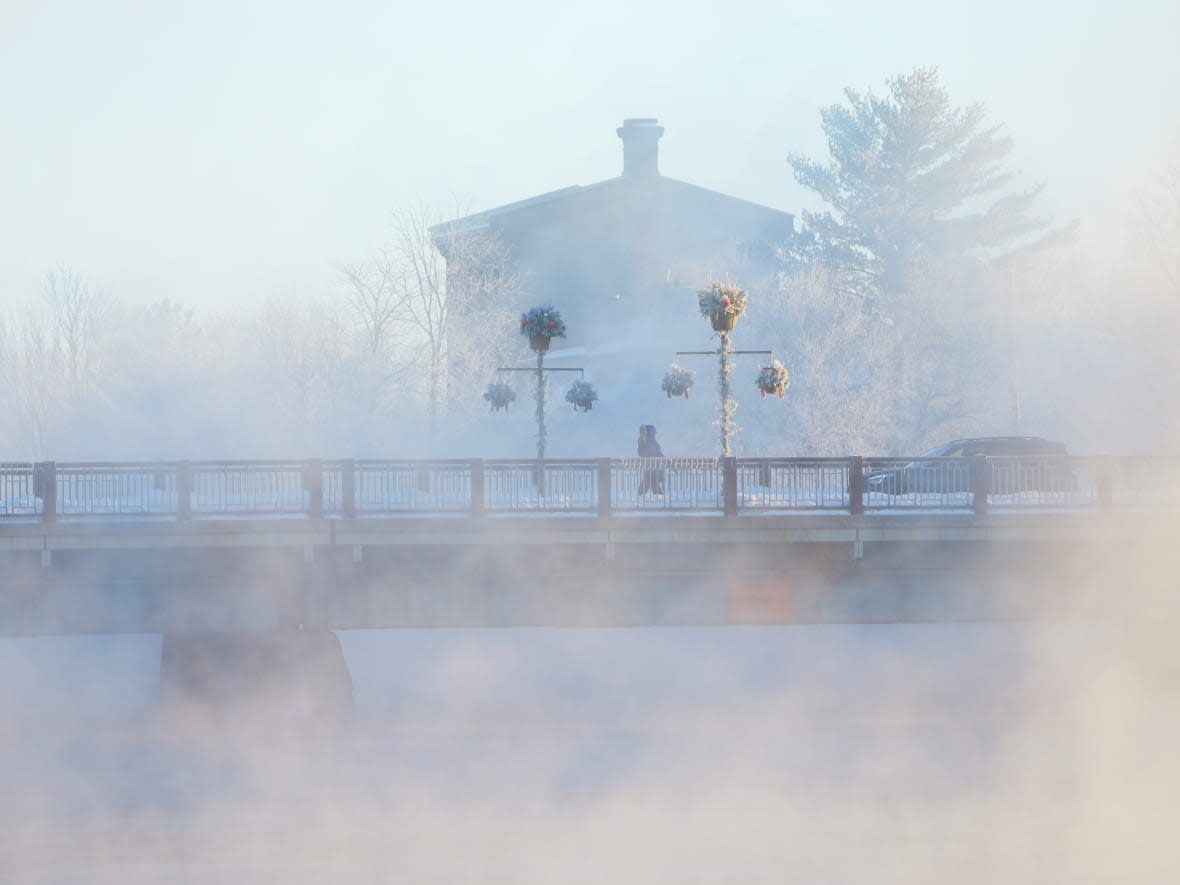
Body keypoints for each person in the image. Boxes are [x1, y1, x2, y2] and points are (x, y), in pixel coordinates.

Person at [637, 424, 665, 495]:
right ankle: (640, 496)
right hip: (652, 467)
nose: (655, 434)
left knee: (650, 481)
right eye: (654, 432)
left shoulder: (649, 441)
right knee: (650, 481)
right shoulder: (647, 441)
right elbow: (644, 453)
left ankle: (639, 496)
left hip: (652, 467)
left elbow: (657, 453)